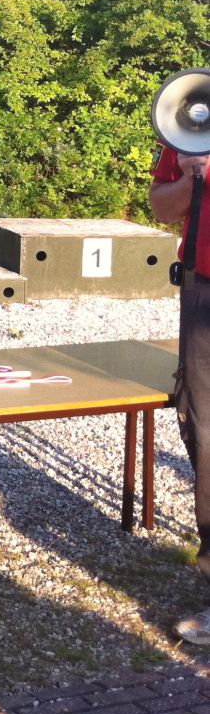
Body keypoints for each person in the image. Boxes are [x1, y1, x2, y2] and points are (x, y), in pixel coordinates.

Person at [150, 146, 210, 646]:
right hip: (203, 287)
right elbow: (163, 208)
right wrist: (193, 177)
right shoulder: (194, 118)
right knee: (207, 435)